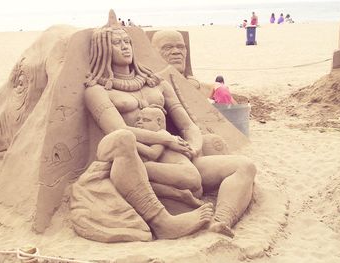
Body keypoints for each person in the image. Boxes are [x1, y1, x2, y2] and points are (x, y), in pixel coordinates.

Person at [97, 26, 257, 236]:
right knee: (123, 137)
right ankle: (162, 222)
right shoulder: (97, 90)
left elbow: (188, 125)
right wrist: (165, 140)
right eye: (116, 43)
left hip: (175, 158)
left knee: (244, 166)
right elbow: (117, 129)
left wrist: (194, 147)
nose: (124, 47)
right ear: (102, 50)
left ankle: (220, 222)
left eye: (127, 42)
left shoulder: (157, 83)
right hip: (137, 160)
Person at [134, 105, 204, 208]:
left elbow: (153, 154)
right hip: (190, 184)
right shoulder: (153, 139)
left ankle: (180, 195)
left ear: (159, 122)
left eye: (145, 120)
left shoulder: (162, 135)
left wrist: (131, 141)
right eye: (138, 119)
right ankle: (181, 195)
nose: (139, 122)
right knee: (141, 183)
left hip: (187, 173)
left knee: (140, 169)